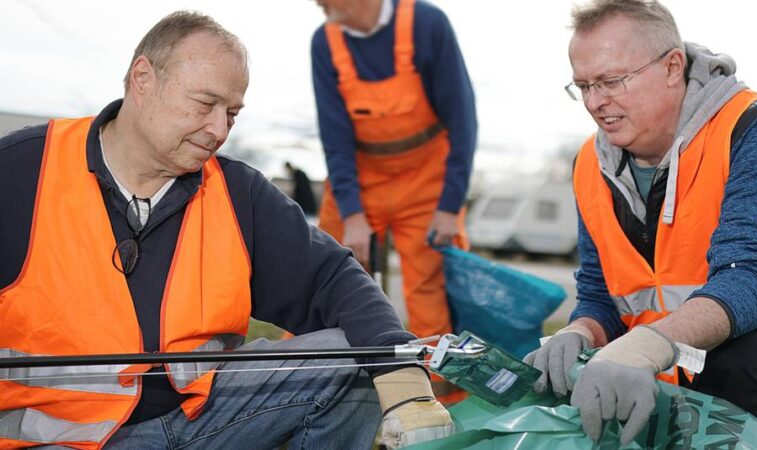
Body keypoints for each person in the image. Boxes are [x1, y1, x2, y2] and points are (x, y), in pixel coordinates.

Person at [0, 11, 453, 449]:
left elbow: (334, 278)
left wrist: (403, 378)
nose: (219, 129)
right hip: (57, 440)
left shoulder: (237, 193)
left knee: (353, 354)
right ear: (142, 79)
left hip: (202, 426)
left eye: (232, 114)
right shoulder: (21, 171)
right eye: (205, 104)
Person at [525, 0, 757, 445]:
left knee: (735, 360)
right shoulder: (588, 165)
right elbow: (602, 295)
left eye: (612, 81)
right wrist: (580, 332)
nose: (596, 103)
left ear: (673, 66)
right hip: (671, 359)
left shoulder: (754, 128)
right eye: (584, 86)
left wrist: (644, 347)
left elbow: (750, 277)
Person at [311, 0, 478, 347]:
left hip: (426, 181)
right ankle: (309, 385)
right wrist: (352, 216)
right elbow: (334, 137)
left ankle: (440, 395)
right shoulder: (325, 41)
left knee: (431, 295)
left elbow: (462, 119)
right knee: (323, 280)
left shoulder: (427, 24)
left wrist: (449, 206)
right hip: (359, 179)